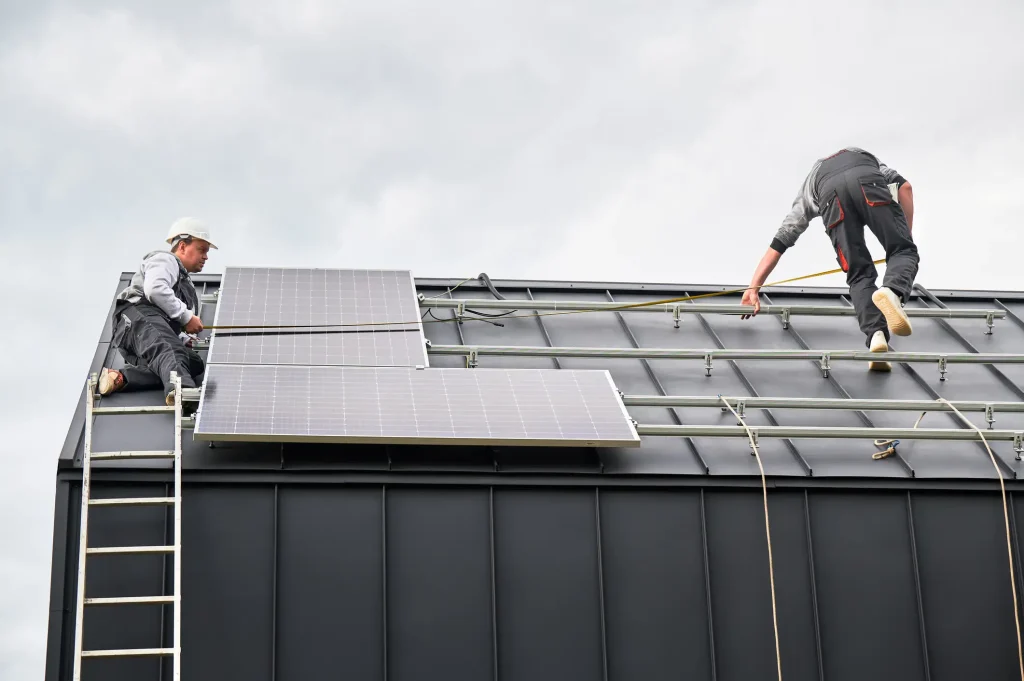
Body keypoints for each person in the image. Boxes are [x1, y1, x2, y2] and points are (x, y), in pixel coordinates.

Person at [741, 147, 918, 372]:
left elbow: (783, 237)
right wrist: (905, 241)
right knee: (903, 251)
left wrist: (753, 286)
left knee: (858, 274)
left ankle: (876, 337)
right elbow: (906, 188)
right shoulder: (865, 156)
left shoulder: (811, 181)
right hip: (867, 180)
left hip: (829, 196)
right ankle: (892, 291)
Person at [98, 218, 217, 405]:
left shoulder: (185, 283)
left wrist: (184, 339)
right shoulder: (166, 260)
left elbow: (163, 328)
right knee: (171, 351)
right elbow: (155, 290)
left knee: (192, 363)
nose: (206, 257)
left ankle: (120, 378)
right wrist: (186, 317)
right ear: (183, 246)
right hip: (136, 316)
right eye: (202, 250)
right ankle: (181, 392)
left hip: (144, 332)